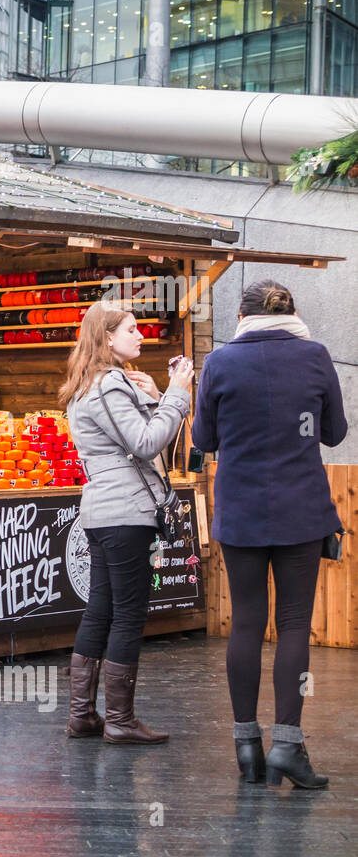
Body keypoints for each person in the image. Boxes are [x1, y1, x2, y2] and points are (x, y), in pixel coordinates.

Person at [192, 281, 347, 789]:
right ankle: (287, 745)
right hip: (301, 509)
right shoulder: (315, 356)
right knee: (296, 624)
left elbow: (204, 439)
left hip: (240, 512)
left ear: (241, 315)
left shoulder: (219, 363)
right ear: (293, 313)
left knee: (246, 624)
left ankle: (246, 746)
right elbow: (334, 431)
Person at [59, 301, 193, 744]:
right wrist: (176, 394)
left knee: (100, 609)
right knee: (129, 614)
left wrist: (155, 397)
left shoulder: (85, 385)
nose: (142, 336)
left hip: (101, 510)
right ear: (107, 338)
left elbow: (130, 440)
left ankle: (83, 715)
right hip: (127, 511)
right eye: (132, 330)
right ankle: (120, 720)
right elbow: (146, 442)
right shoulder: (109, 383)